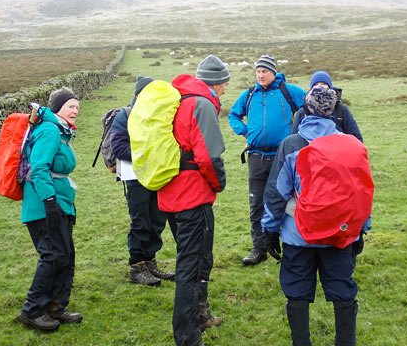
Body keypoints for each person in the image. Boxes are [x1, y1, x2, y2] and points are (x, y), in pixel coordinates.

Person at [261, 86, 370, 346]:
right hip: (340, 233)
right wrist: (360, 229)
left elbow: (277, 192)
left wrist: (269, 231)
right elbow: (362, 192)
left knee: (297, 292)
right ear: (333, 111)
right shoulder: (351, 145)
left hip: (298, 234)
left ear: (305, 110)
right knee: (343, 291)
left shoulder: (292, 144)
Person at [158, 55, 230, 346]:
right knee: (191, 266)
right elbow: (208, 156)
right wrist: (219, 183)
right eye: (225, 83)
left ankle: (200, 315)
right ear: (218, 81)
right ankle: (188, 336)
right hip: (193, 197)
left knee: (199, 261)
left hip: (171, 192)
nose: (225, 89)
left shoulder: (179, 99)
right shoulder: (200, 104)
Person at [228, 54, 306, 265]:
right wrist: (244, 132)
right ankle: (259, 248)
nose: (261, 75)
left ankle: (291, 244)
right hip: (256, 156)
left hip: (283, 157)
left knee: (287, 200)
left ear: (274, 73)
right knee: (256, 203)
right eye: (258, 72)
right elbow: (233, 115)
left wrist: (297, 134)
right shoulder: (250, 94)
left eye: (265, 72)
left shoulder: (288, 91)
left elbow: (310, 107)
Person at [16, 87, 83, 331]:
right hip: (44, 206)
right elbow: (39, 167)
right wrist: (50, 201)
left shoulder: (61, 132)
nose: (75, 111)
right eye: (70, 106)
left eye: (77, 107)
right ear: (57, 108)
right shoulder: (49, 130)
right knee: (53, 255)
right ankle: (32, 311)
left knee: (65, 256)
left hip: (59, 204)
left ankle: (56, 307)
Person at [110, 75, 176, 286]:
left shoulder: (158, 115)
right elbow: (118, 146)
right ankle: (137, 267)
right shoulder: (126, 115)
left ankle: (150, 262)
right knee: (140, 220)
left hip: (157, 175)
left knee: (157, 219)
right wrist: (149, 154)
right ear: (138, 94)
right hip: (135, 178)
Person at [291, 71, 362, 141]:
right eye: (316, 84)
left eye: (324, 83)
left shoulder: (341, 110)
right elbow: (294, 139)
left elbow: (357, 139)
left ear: (330, 87)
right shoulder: (302, 112)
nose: (320, 86)